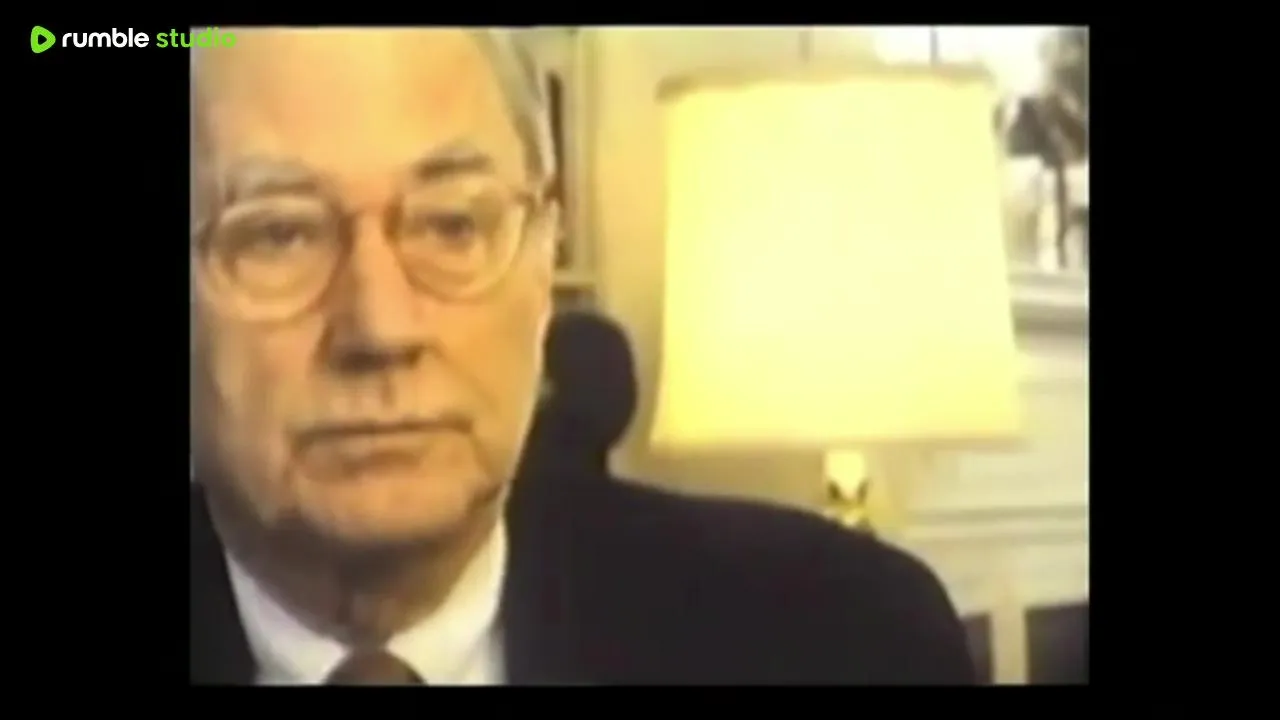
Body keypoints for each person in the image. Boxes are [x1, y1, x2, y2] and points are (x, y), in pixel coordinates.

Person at [189, 28, 974, 685]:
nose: (382, 328)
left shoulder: (845, 637)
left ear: (544, 259)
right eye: (278, 234)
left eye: (452, 225)